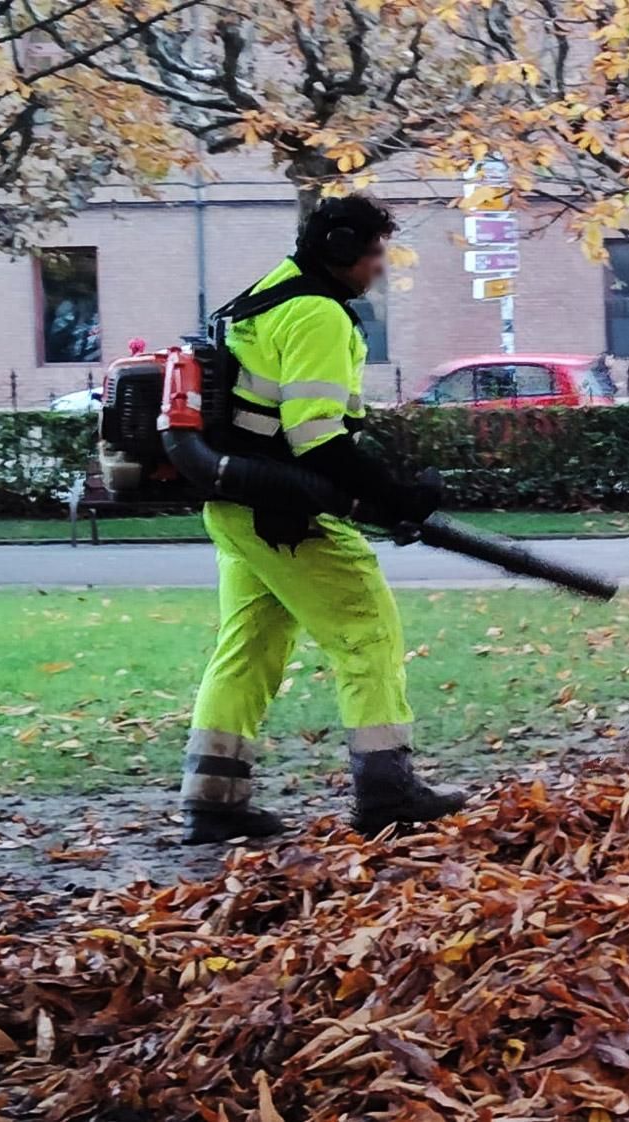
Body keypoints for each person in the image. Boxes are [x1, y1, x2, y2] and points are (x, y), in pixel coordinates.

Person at [179, 195, 466, 844]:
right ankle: (387, 792)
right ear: (340, 250)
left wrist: (383, 494)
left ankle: (213, 800)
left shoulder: (265, 295)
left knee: (248, 649)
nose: (378, 269)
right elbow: (319, 440)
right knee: (367, 630)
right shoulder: (316, 314)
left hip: (237, 509)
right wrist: (396, 494)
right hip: (285, 517)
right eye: (372, 254)